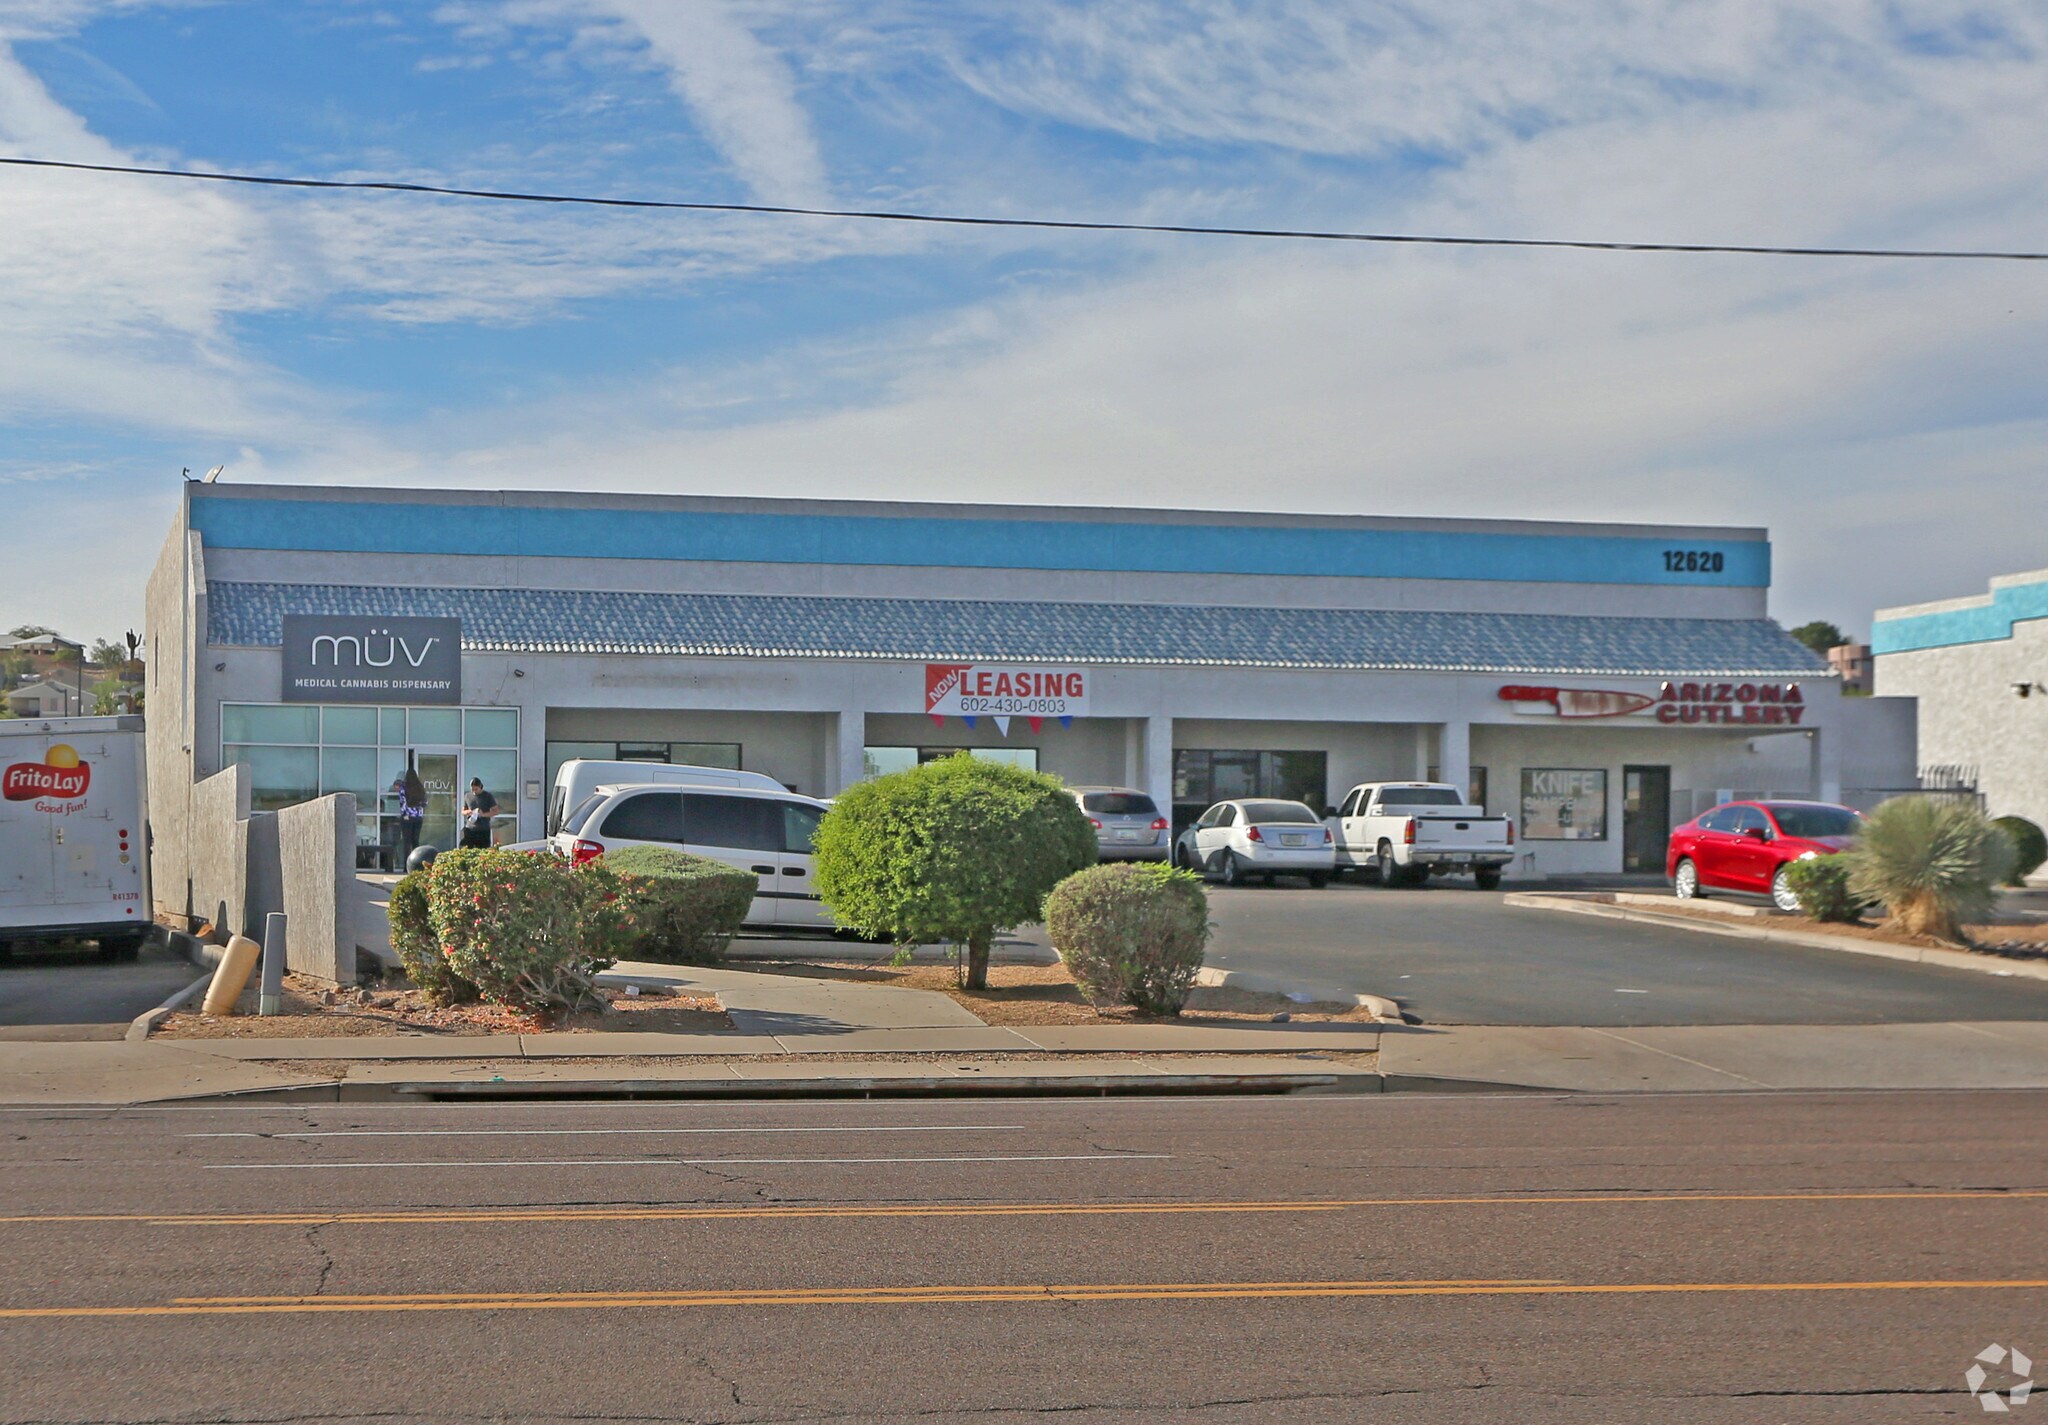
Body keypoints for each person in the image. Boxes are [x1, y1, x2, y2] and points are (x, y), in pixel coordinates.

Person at [394, 758, 426, 865]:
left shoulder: (404, 787)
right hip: (418, 818)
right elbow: (425, 803)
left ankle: (406, 865)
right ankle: (417, 864)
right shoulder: (420, 788)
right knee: (415, 841)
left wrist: (404, 815)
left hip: (407, 818)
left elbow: (403, 803)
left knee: (406, 842)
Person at [460, 776, 497, 849]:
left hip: (483, 829)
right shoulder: (467, 796)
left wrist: (483, 814)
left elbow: (495, 811)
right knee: (467, 850)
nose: (474, 791)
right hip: (470, 829)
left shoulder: (487, 796)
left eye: (476, 789)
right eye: (472, 789)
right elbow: (463, 811)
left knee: (483, 851)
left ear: (480, 787)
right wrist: (468, 812)